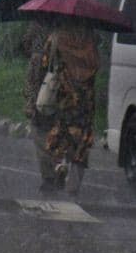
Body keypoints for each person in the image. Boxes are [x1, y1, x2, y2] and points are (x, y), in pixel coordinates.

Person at [41, 19, 100, 196]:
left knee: (60, 134)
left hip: (63, 97)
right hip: (85, 101)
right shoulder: (91, 42)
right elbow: (96, 66)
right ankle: (74, 185)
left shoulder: (57, 39)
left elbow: (46, 64)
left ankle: (59, 166)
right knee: (81, 141)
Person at [22, 19, 58, 191]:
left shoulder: (36, 24)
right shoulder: (69, 30)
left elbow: (24, 45)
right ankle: (59, 168)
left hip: (44, 92)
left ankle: (49, 175)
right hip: (65, 89)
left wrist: (30, 102)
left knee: (39, 132)